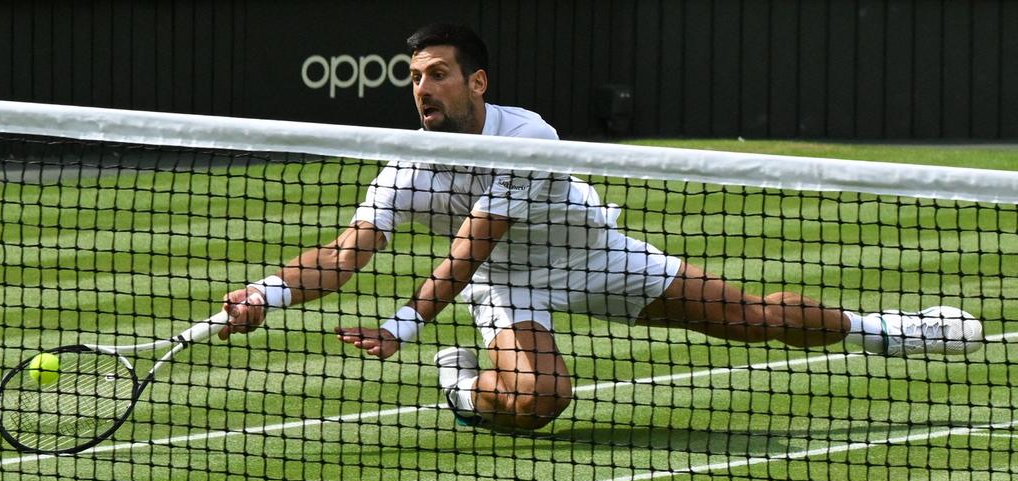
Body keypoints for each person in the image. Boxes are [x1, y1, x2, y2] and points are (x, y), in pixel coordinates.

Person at [218, 22, 984, 432]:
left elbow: (468, 243)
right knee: (538, 404)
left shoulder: (527, 136)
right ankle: (465, 386)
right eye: (414, 76)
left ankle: (895, 330)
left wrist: (402, 325)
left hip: (596, 256)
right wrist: (265, 295)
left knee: (754, 318)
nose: (422, 88)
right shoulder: (404, 164)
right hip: (509, 283)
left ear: (475, 82)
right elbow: (344, 254)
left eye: (438, 73)